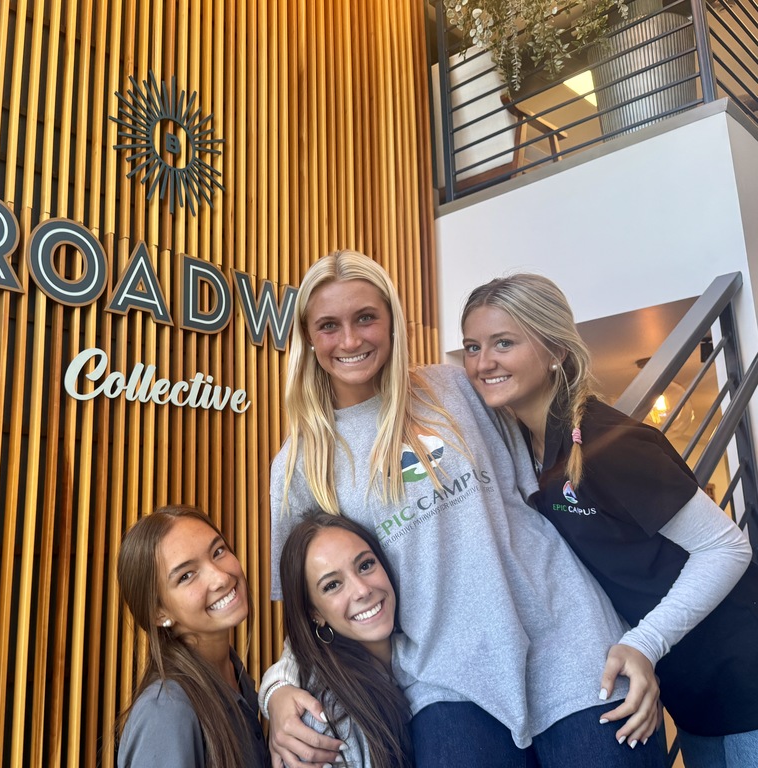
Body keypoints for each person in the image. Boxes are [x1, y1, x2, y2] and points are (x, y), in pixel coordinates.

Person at [264, 250, 665, 768]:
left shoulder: (454, 387)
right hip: (443, 683)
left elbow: (547, 486)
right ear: (307, 337)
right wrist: (275, 689)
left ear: (391, 320)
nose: (351, 339)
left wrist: (644, 638)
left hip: (572, 647)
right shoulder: (299, 464)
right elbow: (307, 605)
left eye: (366, 317)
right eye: (328, 325)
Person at [460, 273, 758, 768]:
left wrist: (642, 643)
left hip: (739, 675)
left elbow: (727, 548)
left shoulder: (607, 442)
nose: (483, 362)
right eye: (472, 346)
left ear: (554, 347)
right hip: (690, 689)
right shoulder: (528, 451)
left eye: (503, 343)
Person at [116, 505, 269, 768]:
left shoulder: (238, 679)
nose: (221, 577)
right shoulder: (165, 712)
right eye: (187, 575)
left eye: (218, 551)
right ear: (158, 612)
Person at [279, 510, 413, 768]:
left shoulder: (425, 655)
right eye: (332, 585)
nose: (362, 590)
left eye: (365, 565)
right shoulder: (321, 721)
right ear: (315, 614)